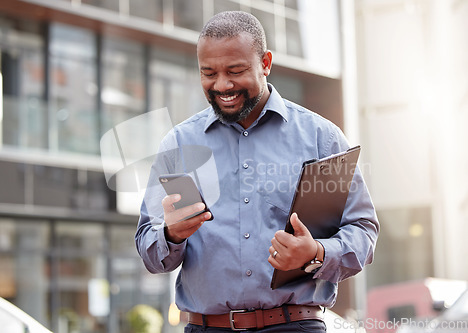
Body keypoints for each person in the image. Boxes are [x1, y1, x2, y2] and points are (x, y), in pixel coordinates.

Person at [135, 11, 379, 332]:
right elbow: (151, 253)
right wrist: (171, 234)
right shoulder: (180, 144)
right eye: (208, 73)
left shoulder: (321, 138)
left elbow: (363, 231)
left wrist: (317, 252)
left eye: (236, 71)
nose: (222, 85)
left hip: (295, 325)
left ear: (265, 63)